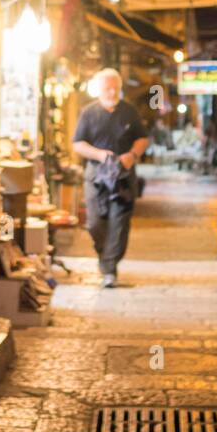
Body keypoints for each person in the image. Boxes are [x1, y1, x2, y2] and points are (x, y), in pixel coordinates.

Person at [72, 69, 149, 288]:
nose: (112, 91)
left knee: (120, 222)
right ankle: (104, 257)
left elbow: (143, 139)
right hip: (96, 176)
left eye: (116, 87)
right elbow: (78, 144)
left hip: (123, 177)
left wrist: (132, 155)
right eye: (107, 87)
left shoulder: (129, 111)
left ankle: (110, 268)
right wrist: (99, 154)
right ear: (99, 89)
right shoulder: (88, 112)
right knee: (95, 222)